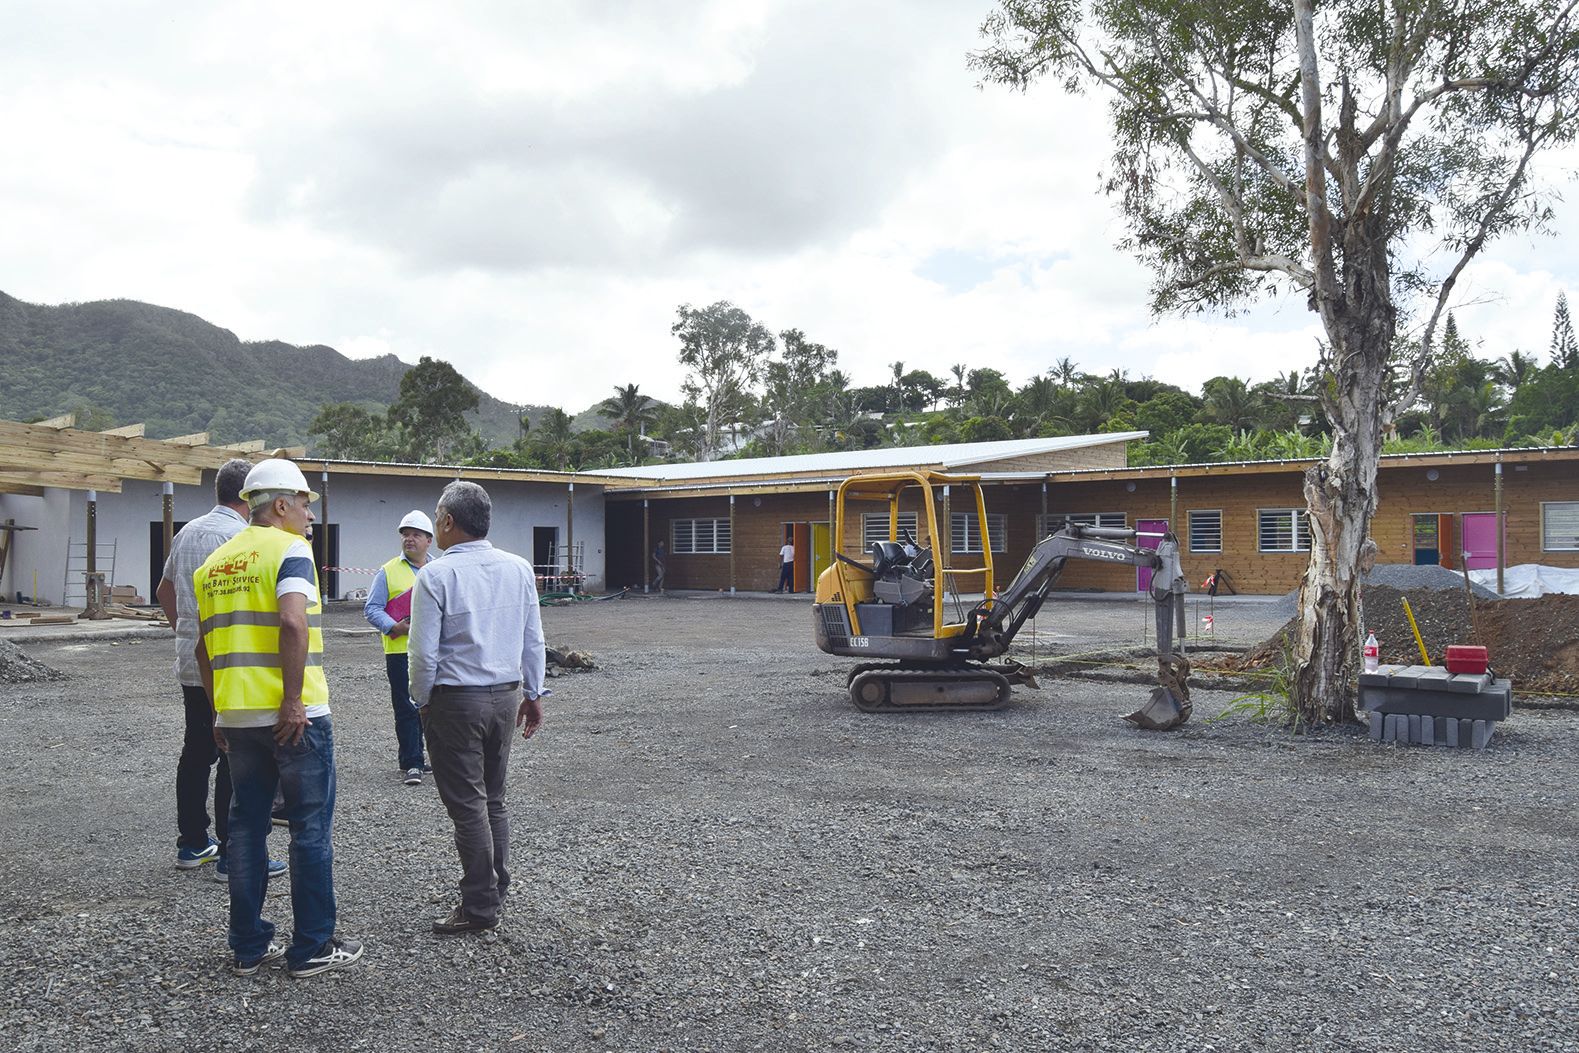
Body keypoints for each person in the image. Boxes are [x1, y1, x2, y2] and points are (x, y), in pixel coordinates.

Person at [193, 458, 362, 978]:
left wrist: (219, 707)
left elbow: (202, 648)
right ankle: (312, 947)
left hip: (239, 716)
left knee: (245, 827)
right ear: (281, 504)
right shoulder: (291, 550)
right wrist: (291, 700)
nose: (311, 514)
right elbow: (293, 621)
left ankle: (247, 946)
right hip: (296, 716)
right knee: (310, 827)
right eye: (306, 503)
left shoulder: (213, 565)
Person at [409, 481, 546, 935]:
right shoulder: (518, 567)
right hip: (506, 696)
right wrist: (535, 692)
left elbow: (423, 655)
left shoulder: (435, 575)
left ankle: (480, 906)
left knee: (468, 805)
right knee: (494, 800)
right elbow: (533, 636)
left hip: (457, 700)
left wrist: (422, 701)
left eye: (435, 516)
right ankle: (493, 886)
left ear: (447, 521)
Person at [156, 458, 287, 883]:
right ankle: (236, 854)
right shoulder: (245, 539)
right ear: (251, 496)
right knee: (237, 757)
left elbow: (164, 589)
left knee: (196, 750)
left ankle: (192, 842)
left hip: (193, 667)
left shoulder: (187, 532)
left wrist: (186, 631)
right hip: (233, 664)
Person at [364, 510, 436, 786]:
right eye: (406, 534)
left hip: (432, 651)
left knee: (433, 706)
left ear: (429, 540)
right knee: (406, 707)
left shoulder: (437, 569)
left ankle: (427, 757)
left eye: (416, 534)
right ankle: (412, 762)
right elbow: (371, 609)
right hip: (400, 651)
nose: (409, 539)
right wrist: (394, 627)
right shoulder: (388, 571)